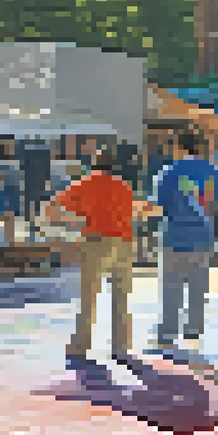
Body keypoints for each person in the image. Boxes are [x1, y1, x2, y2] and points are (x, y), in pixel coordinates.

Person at [48, 152, 159, 362]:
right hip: (125, 241)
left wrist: (69, 223)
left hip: (97, 240)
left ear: (93, 164)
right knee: (121, 295)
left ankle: (81, 345)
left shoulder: (83, 184)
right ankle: (121, 346)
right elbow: (137, 211)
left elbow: (55, 205)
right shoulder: (123, 186)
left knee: (89, 295)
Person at [150, 133, 218, 350]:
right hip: (202, 235)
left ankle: (168, 331)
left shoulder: (168, 173)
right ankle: (193, 329)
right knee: (198, 285)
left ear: (179, 148)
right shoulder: (214, 173)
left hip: (175, 235)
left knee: (171, 286)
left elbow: (160, 207)